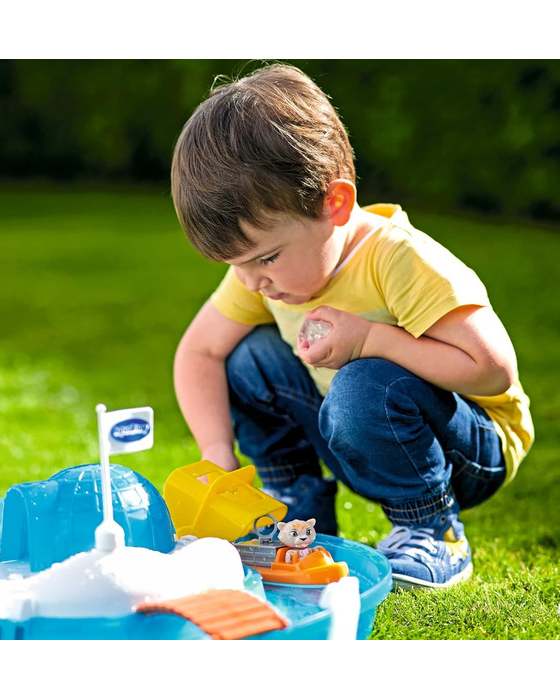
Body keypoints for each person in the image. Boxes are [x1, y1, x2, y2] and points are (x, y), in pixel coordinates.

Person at [170, 63, 534, 589]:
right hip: (354, 428)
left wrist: (371, 339)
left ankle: (434, 530)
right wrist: (217, 457)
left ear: (334, 204)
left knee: (365, 380)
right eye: (236, 265)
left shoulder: (397, 259)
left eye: (267, 258)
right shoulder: (259, 276)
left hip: (468, 448)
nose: (252, 283)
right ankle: (288, 508)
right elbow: (199, 353)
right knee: (245, 358)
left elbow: (492, 370)